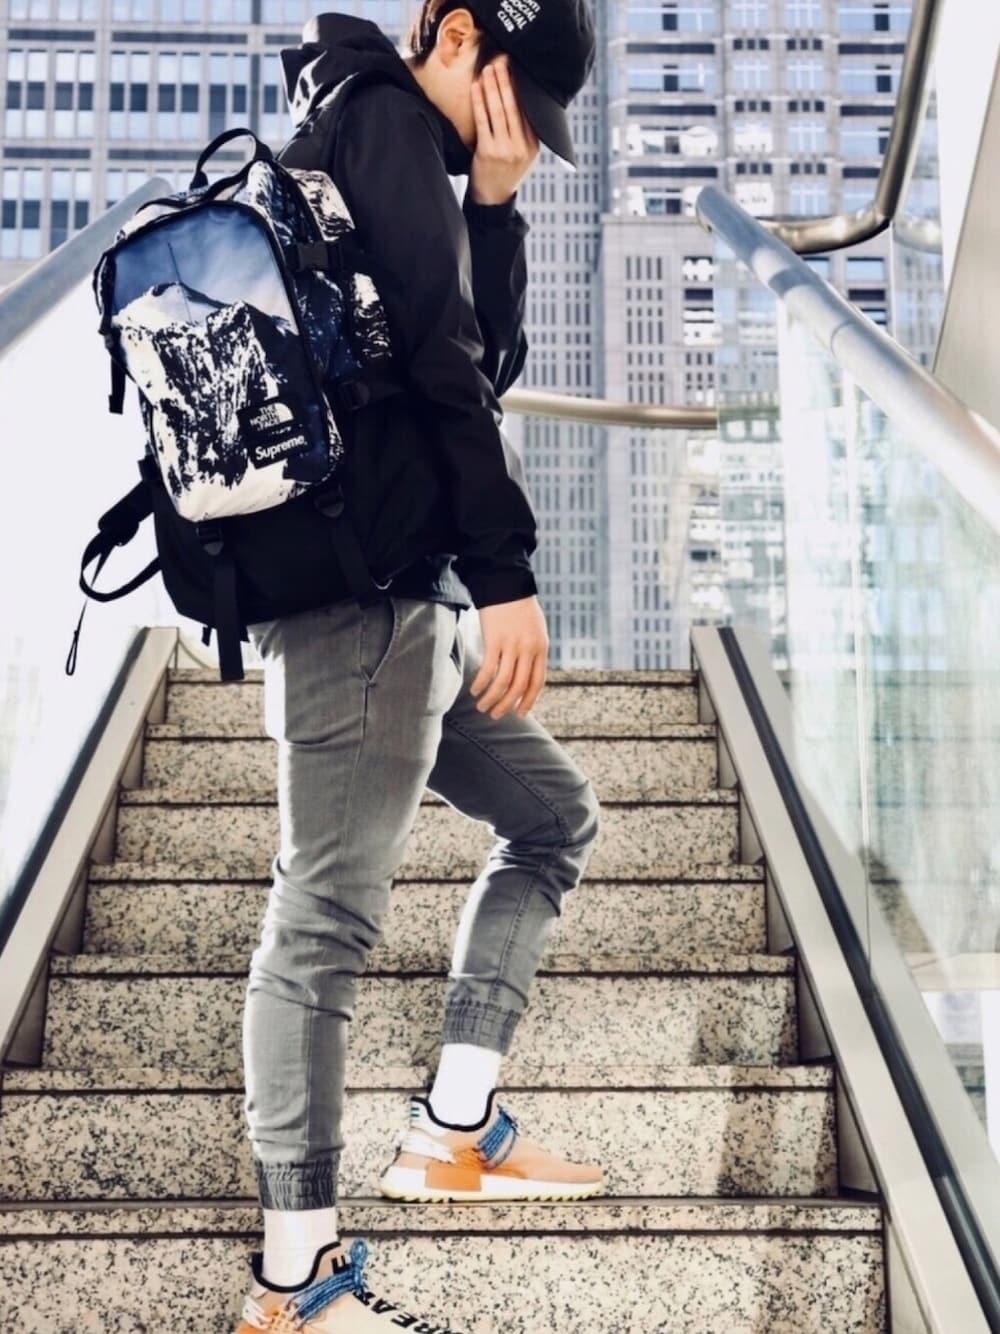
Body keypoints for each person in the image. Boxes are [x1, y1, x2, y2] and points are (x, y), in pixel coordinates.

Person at [234, 2, 600, 1329]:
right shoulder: (382, 120)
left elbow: (475, 364)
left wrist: (494, 210)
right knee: (324, 919)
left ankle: (454, 1121)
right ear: (453, 34)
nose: (513, 135)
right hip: (364, 601)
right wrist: (508, 574)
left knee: (553, 815)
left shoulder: (372, 136)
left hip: (401, 594)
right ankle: (295, 1280)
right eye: (511, 97)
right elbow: (448, 369)